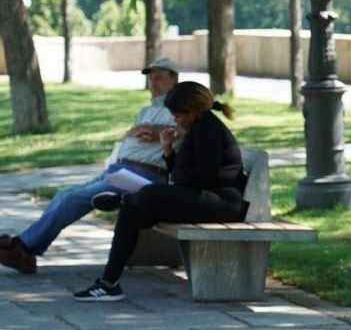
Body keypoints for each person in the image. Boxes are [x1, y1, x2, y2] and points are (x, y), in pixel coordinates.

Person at [0, 58, 182, 274]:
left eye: (159, 77)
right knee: (64, 194)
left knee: (72, 199)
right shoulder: (146, 110)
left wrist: (157, 131)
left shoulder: (180, 108)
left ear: (174, 79)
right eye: (151, 78)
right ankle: (26, 250)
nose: (153, 82)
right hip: (120, 171)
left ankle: (23, 246)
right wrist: (131, 133)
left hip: (145, 177)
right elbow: (129, 138)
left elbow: (184, 128)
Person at [73, 82, 248, 302]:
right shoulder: (197, 128)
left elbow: (204, 174)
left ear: (192, 110)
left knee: (151, 193)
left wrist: (173, 188)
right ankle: (109, 283)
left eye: (178, 115)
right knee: (132, 210)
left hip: (223, 202)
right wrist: (167, 149)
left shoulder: (208, 129)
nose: (176, 120)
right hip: (202, 197)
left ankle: (123, 198)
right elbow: (182, 174)